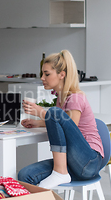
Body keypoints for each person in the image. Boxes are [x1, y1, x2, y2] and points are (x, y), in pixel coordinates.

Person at [18, 50, 104, 189]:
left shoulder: (76, 98)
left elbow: (70, 130)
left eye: (47, 74)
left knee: (53, 112)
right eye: (42, 74)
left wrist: (42, 113)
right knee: (25, 175)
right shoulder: (61, 99)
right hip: (71, 162)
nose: (42, 78)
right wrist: (38, 123)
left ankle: (60, 172)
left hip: (88, 161)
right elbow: (61, 124)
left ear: (61, 75)